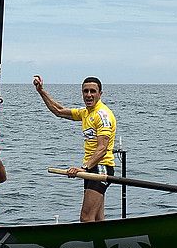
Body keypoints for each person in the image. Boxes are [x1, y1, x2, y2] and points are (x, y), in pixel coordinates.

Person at [34, 75, 117, 222]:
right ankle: (102, 244)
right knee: (97, 218)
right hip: (91, 168)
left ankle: (89, 244)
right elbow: (58, 111)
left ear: (100, 94)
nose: (89, 95)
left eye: (93, 91)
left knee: (86, 218)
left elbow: (102, 149)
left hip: (101, 168)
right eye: (86, 91)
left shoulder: (102, 115)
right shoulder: (85, 113)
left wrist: (83, 168)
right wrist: (41, 91)